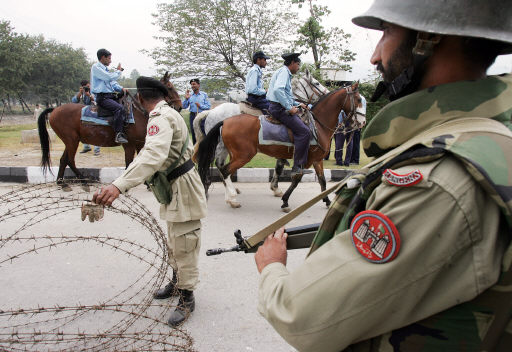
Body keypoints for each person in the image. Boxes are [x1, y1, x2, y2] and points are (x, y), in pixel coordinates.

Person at [254, 0, 512, 351]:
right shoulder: (482, 139)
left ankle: (300, 162)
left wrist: (271, 267)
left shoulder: (436, 179)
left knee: (305, 134)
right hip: (276, 106)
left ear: (427, 37)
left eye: (386, 33)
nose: (375, 56)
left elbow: (299, 315)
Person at [93, 76, 207, 327]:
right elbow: (146, 154)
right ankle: (177, 282)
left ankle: (187, 297)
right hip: (174, 185)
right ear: (164, 96)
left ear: (141, 99)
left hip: (182, 186)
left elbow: (153, 155)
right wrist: (122, 180)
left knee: (184, 241)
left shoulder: (160, 118)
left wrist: (118, 186)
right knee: (176, 239)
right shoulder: (168, 112)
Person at [267, 53, 312, 177]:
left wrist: (298, 104)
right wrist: (289, 107)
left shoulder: (284, 73)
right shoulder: (284, 73)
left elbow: (286, 94)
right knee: (304, 132)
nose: (298, 67)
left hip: (279, 106)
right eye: (298, 64)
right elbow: (278, 90)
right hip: (279, 109)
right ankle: (297, 166)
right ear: (292, 63)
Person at [90, 48, 128, 144]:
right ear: (103, 57)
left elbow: (113, 83)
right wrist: (119, 71)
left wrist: (122, 89)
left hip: (110, 96)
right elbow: (109, 77)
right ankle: (118, 134)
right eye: (109, 59)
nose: (110, 61)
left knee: (127, 107)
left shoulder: (106, 70)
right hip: (103, 98)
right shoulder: (96, 68)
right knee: (119, 109)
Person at [72, 80, 100, 156]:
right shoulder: (82, 93)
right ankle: (86, 146)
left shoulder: (94, 91)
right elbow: (74, 101)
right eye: (86, 87)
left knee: (95, 130)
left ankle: (97, 150)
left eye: (88, 86)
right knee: (83, 130)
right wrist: (80, 93)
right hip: (86, 113)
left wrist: (89, 95)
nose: (88, 88)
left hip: (95, 112)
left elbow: (97, 101)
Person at [182, 78, 210, 144]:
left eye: (194, 84)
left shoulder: (204, 95)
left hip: (202, 116)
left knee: (204, 132)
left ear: (198, 85)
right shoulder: (190, 95)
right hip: (193, 116)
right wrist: (186, 99)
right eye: (191, 84)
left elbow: (208, 106)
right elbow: (184, 106)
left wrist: (200, 106)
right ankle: (195, 149)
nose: (192, 86)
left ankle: (204, 149)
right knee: (194, 132)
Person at [350, 95, 366, 165]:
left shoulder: (359, 98)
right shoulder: (361, 98)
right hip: (357, 120)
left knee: (355, 141)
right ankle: (352, 159)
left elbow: (361, 110)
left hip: (357, 121)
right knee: (353, 141)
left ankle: (355, 160)